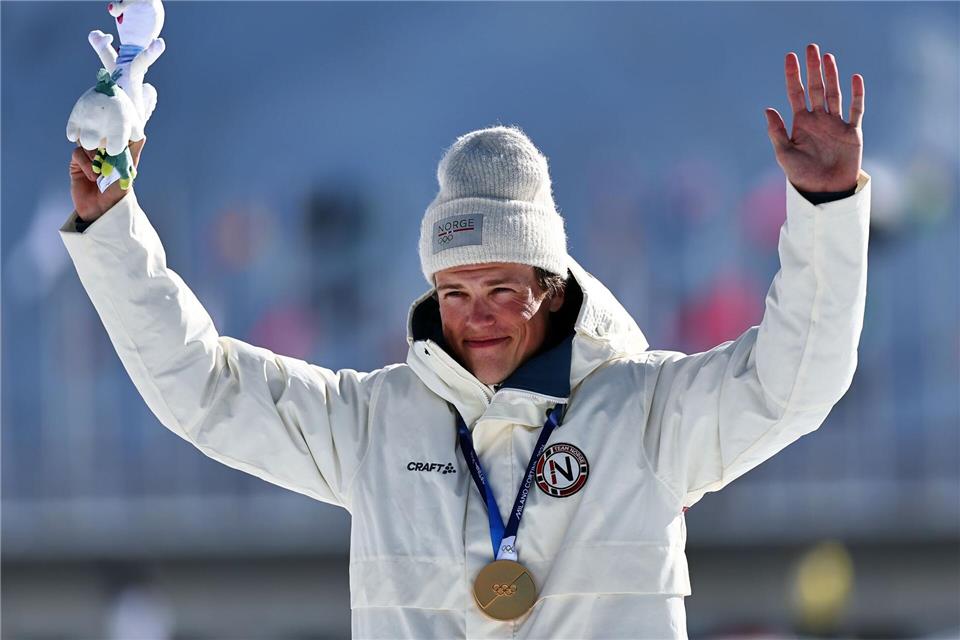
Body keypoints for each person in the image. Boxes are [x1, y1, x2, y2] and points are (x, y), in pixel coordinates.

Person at [61, 43, 870, 639]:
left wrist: (827, 209)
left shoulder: (645, 415)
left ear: (551, 290)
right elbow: (204, 389)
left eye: (501, 292)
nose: (475, 316)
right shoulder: (374, 425)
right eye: (455, 292)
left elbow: (794, 382)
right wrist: (109, 229)